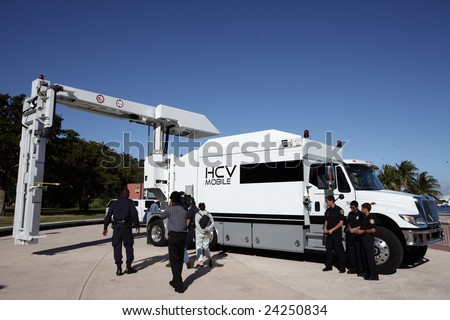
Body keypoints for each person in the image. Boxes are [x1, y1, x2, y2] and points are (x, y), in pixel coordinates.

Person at [103, 188, 140, 276]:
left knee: (116, 246)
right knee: (128, 246)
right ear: (128, 194)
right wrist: (137, 225)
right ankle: (128, 267)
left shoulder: (114, 203)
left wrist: (105, 227)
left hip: (116, 228)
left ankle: (119, 268)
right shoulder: (129, 202)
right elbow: (134, 214)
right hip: (126, 227)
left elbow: (108, 216)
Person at [160, 191, 187, 293]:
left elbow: (162, 216)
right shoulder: (184, 210)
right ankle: (175, 280)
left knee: (174, 260)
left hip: (173, 236)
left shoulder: (169, 210)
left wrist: (168, 206)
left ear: (171, 200)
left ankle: (179, 284)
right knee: (179, 260)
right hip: (183, 236)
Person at [322, 195, 346, 273]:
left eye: (327, 201)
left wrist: (332, 229)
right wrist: (325, 228)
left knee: (339, 251)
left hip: (336, 233)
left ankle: (342, 267)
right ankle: (328, 266)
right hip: (329, 233)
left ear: (332, 201)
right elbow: (326, 220)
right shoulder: (328, 210)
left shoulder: (339, 210)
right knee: (328, 250)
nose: (326, 203)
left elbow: (341, 223)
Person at [357, 203, 379, 281]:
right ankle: (367, 273)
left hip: (368, 239)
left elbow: (373, 229)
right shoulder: (364, 217)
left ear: (366, 208)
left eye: (362, 208)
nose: (361, 209)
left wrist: (363, 231)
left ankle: (374, 274)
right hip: (363, 239)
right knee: (364, 257)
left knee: (370, 258)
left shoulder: (371, 218)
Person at [194, 202, 215, 268]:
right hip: (207, 233)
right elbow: (213, 223)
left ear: (199, 207)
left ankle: (201, 262)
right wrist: (208, 229)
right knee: (206, 246)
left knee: (199, 247)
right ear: (205, 207)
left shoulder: (197, 214)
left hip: (199, 233)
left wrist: (201, 230)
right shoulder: (208, 214)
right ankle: (209, 258)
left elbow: (197, 224)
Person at [346, 200, 363, 275]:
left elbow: (362, 224)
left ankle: (360, 270)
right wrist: (350, 229)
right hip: (350, 235)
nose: (351, 209)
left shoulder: (360, 214)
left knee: (358, 253)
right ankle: (353, 268)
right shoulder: (350, 213)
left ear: (356, 207)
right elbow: (348, 222)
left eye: (353, 207)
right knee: (352, 253)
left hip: (357, 235)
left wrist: (355, 229)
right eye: (350, 207)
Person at [184, 198, 199, 269]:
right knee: (198, 243)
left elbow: (188, 220)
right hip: (197, 227)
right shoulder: (197, 210)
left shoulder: (190, 210)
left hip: (191, 228)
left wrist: (185, 227)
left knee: (186, 243)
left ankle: (185, 258)